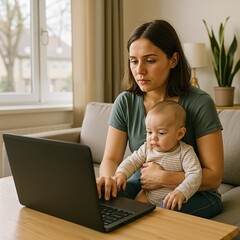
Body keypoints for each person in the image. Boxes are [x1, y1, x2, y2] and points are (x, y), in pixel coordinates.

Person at [96, 19, 223, 219]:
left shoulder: (200, 103)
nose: (139, 70)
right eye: (133, 61)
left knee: (155, 217)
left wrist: (163, 178)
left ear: (173, 60)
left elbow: (214, 177)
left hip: (195, 193)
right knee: (101, 201)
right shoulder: (125, 102)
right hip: (143, 183)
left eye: (150, 60)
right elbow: (111, 159)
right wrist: (110, 180)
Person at [114, 100, 202, 211]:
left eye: (161, 133)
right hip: (147, 196)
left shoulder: (185, 152)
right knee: (134, 212)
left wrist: (181, 192)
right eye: (149, 132)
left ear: (180, 133)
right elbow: (132, 161)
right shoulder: (147, 148)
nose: (153, 137)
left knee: (167, 213)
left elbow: (195, 175)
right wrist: (121, 174)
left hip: (170, 199)